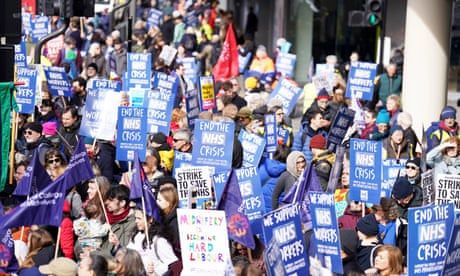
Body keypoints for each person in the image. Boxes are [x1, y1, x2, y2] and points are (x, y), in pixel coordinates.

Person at [124, 207, 178, 275]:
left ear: (150, 219)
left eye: (139, 218)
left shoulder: (159, 240)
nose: (136, 221)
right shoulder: (136, 236)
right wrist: (117, 245)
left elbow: (173, 264)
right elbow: (128, 255)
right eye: (135, 218)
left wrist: (156, 271)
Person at [104, 185, 136, 251]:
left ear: (122, 203)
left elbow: (125, 250)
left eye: (111, 200)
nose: (106, 202)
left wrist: (116, 245)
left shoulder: (131, 222)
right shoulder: (104, 216)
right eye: (107, 199)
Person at [260, 145, 290, 213]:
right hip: (276, 213)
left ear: (275, 154)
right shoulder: (289, 175)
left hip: (260, 208)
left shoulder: (262, 167)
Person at [156, 186, 180, 254]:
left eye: (159, 200)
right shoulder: (163, 218)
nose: (156, 202)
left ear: (169, 202)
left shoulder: (175, 222)